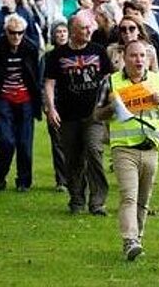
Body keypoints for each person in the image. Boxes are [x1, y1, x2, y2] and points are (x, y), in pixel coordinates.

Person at [94, 40, 159, 261]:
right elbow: (96, 114)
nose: (138, 60)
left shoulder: (158, 81)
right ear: (125, 58)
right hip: (124, 149)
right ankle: (129, 240)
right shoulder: (111, 83)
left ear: (149, 59)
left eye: (142, 56)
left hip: (151, 147)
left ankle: (137, 237)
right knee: (129, 196)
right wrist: (112, 108)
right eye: (134, 56)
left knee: (143, 199)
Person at [44, 14, 112, 215]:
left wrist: (108, 104)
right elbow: (49, 82)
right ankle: (76, 199)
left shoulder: (98, 51)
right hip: (68, 115)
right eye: (83, 28)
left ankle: (98, 201)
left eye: (90, 27)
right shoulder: (57, 55)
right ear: (73, 30)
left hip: (94, 115)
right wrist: (51, 108)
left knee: (93, 151)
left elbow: (108, 78)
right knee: (73, 159)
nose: (88, 31)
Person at [0, 14, 41, 192]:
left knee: (24, 142)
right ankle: (1, 174)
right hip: (4, 98)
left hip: (25, 99)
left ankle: (24, 181)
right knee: (5, 140)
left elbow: (36, 75)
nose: (16, 37)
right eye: (12, 33)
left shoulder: (30, 48)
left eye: (20, 33)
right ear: (6, 32)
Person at [45, 22, 69, 191]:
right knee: (58, 142)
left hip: (71, 102)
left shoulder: (73, 54)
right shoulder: (47, 57)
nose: (61, 34)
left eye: (64, 31)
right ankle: (61, 179)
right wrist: (47, 105)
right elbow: (43, 82)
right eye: (58, 32)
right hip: (55, 103)